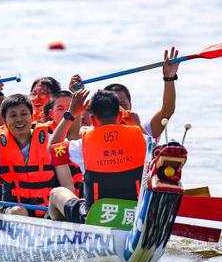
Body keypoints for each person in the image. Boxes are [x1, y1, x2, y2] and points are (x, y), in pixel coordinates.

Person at [47, 49, 179, 223]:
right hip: (135, 215)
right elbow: (166, 114)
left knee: (57, 193)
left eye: (125, 104)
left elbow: (53, 148)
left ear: (93, 119)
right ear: (119, 114)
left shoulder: (85, 142)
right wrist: (168, 79)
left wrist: (72, 111)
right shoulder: (144, 137)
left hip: (96, 216)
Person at [0, 94, 71, 224]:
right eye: (13, 115)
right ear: (4, 120)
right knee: (19, 211)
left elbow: (67, 185)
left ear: (32, 116)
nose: (19, 120)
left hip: (49, 211)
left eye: (23, 114)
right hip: (15, 212)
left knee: (61, 193)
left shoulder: (52, 141)